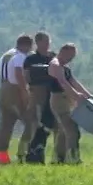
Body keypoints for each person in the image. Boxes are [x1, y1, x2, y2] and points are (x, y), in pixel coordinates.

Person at [48, 42, 93, 164]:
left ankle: (58, 159)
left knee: (63, 131)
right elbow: (63, 82)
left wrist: (88, 95)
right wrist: (76, 96)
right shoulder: (55, 65)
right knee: (72, 129)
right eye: (70, 56)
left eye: (73, 57)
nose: (71, 59)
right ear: (63, 52)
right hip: (58, 100)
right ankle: (73, 158)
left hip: (67, 100)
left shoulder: (66, 68)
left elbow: (74, 82)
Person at [0, 34, 33, 164]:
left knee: (5, 125)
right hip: (14, 90)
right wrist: (25, 93)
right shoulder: (20, 56)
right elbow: (19, 75)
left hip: (3, 89)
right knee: (31, 122)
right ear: (25, 45)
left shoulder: (5, 55)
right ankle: (23, 153)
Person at [22, 32, 57, 164]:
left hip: (52, 93)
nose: (48, 44)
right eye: (45, 41)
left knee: (51, 124)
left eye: (49, 41)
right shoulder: (31, 59)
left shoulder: (53, 57)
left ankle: (56, 155)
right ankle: (34, 154)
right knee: (36, 124)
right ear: (38, 42)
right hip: (37, 93)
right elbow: (26, 76)